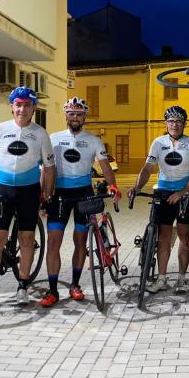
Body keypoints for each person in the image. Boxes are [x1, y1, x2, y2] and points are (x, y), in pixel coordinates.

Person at [0, 86, 55, 310]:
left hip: (29, 191)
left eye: (27, 105)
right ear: (12, 107)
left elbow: (49, 167)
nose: (22, 109)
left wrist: (48, 194)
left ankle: (22, 286)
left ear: (33, 108)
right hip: (3, 189)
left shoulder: (40, 133)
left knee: (26, 239)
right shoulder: (0, 129)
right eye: (18, 105)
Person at [40, 97, 121, 306]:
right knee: (53, 242)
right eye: (71, 113)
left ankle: (75, 285)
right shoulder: (53, 138)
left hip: (84, 194)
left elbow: (105, 166)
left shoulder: (93, 140)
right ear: (66, 115)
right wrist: (43, 194)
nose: (75, 117)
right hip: (59, 195)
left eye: (79, 114)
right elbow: (46, 170)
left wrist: (113, 186)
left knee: (80, 241)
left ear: (85, 117)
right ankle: (52, 290)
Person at [128, 106, 189, 294]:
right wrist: (137, 187)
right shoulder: (158, 143)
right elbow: (147, 168)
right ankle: (162, 278)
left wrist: (183, 192)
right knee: (163, 237)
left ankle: (182, 279)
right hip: (163, 192)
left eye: (178, 121)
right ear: (166, 123)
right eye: (171, 121)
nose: (175, 125)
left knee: (184, 236)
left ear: (184, 124)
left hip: (184, 194)